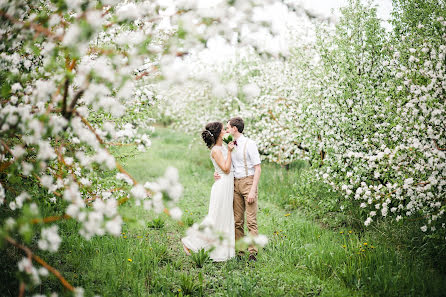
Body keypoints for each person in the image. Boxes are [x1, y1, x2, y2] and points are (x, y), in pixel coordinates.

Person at [182, 121, 236, 262]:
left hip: (226, 185)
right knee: (215, 218)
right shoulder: (216, 150)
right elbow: (225, 169)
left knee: (224, 218)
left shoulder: (222, 147)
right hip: (222, 186)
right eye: (223, 130)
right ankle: (191, 242)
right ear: (218, 134)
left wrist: (229, 149)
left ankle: (222, 248)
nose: (225, 132)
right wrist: (229, 152)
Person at [215, 117, 262, 261]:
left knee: (251, 220)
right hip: (234, 184)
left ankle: (253, 252)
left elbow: (258, 168)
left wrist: (253, 190)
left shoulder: (250, 144)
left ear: (235, 129)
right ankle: (240, 252)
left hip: (248, 182)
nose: (227, 130)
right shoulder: (228, 144)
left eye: (228, 127)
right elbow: (224, 163)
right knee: (237, 221)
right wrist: (217, 172)